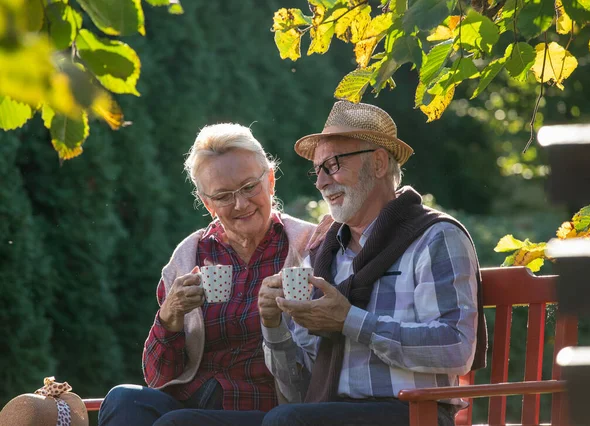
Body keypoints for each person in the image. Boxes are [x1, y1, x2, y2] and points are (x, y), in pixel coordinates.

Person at [154, 101, 487, 426]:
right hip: (329, 411)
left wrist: (349, 320)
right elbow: (298, 386)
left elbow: (457, 348)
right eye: (318, 171)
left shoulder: (434, 237)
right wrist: (273, 327)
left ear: (380, 162)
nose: (321, 182)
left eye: (334, 165)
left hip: (413, 413)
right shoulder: (328, 253)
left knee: (286, 420)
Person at [98, 123, 317, 426]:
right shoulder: (188, 256)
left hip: (270, 411)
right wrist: (169, 316)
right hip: (192, 402)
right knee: (123, 399)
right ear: (207, 203)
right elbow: (159, 378)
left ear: (270, 180)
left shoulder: (308, 246)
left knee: (177, 423)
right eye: (224, 196)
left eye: (249, 187)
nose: (240, 203)